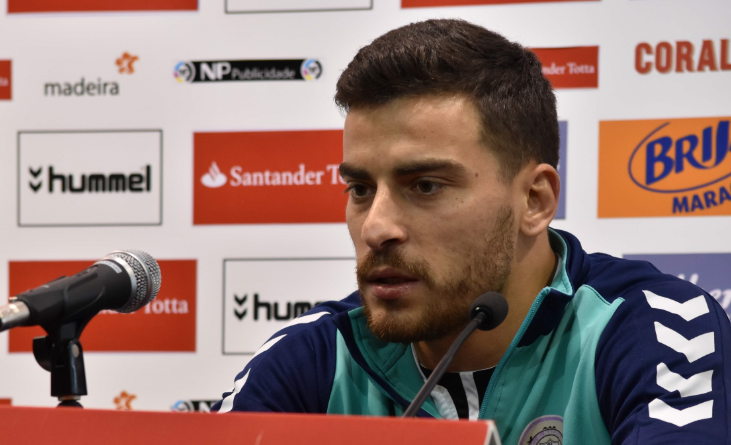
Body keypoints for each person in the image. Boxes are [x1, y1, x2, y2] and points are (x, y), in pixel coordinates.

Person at [211, 19, 730, 444]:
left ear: (535, 200)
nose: (376, 227)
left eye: (426, 186)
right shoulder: (316, 356)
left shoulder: (650, 328)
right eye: (361, 189)